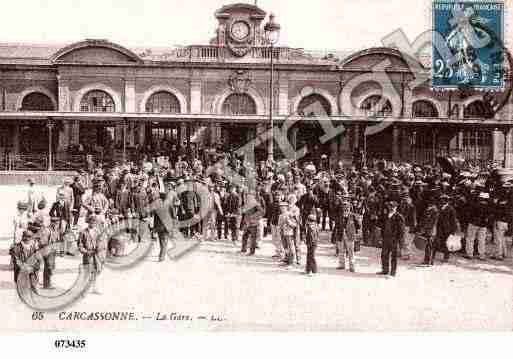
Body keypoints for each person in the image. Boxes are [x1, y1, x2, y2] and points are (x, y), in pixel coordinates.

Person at [77, 215, 106, 294]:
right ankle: (84, 289)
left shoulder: (98, 232)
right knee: (87, 272)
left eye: (94, 222)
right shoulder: (83, 232)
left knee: (97, 271)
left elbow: (101, 242)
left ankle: (95, 288)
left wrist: (99, 248)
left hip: (96, 255)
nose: (93, 223)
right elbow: (80, 245)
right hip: (88, 255)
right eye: (91, 222)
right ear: (88, 222)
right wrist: (85, 251)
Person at [378, 201, 405, 277]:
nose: (391, 208)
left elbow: (401, 231)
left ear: (396, 207)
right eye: (390, 206)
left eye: (393, 207)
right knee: (384, 255)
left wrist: (400, 241)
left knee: (393, 256)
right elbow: (382, 226)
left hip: (394, 239)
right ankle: (385, 270)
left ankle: (393, 272)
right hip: (385, 238)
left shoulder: (399, 217)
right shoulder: (385, 215)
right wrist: (381, 236)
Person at [334, 198, 359, 272]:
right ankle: (342, 265)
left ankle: (352, 266)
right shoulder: (339, 216)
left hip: (350, 236)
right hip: (341, 235)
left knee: (351, 252)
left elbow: (358, 225)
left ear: (349, 209)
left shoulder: (353, 216)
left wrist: (354, 233)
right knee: (341, 251)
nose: (345, 210)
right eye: (344, 209)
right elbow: (336, 226)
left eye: (347, 209)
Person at [434, 194, 459, 263]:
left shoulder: (451, 209)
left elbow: (453, 220)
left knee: (447, 243)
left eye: (443, 200)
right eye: (441, 200)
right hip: (439, 228)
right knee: (437, 241)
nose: (441, 201)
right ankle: (433, 255)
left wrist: (453, 231)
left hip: (447, 229)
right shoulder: (439, 207)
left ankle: (446, 257)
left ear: (446, 201)